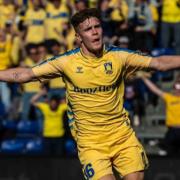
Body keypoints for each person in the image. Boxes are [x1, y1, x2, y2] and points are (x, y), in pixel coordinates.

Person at [0, 8, 180, 180]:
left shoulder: (118, 56)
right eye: (88, 29)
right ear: (78, 37)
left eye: (97, 27)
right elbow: (25, 74)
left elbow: (159, 63)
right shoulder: (66, 62)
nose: (95, 32)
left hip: (122, 136)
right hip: (90, 142)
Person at [140, 73, 180, 156]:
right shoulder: (169, 97)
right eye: (176, 86)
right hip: (172, 130)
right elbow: (155, 89)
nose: (177, 89)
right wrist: (144, 78)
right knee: (166, 152)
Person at [30, 86, 67, 156]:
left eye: (55, 103)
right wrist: (40, 94)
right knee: (47, 158)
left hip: (59, 137)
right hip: (47, 137)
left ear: (57, 103)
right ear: (49, 103)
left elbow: (72, 104)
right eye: (52, 103)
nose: (53, 104)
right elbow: (32, 101)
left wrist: (65, 98)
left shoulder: (61, 108)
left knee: (59, 158)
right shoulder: (45, 107)